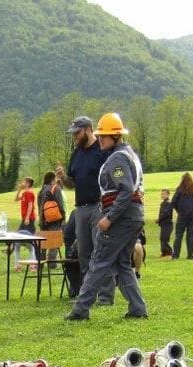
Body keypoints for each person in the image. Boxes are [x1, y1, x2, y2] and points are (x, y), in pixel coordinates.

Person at [65, 113, 148, 322]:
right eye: (99, 135)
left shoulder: (118, 158)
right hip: (134, 217)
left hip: (122, 218)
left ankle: (80, 309)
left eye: (104, 136)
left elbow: (126, 190)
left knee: (99, 261)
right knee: (121, 263)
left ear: (116, 137)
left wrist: (109, 218)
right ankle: (137, 307)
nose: (100, 139)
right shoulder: (129, 153)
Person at [56, 116, 113, 300]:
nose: (75, 137)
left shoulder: (102, 150)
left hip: (99, 207)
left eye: (77, 133)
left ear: (88, 129)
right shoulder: (76, 153)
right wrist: (62, 177)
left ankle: (105, 296)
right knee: (84, 254)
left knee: (101, 251)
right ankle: (89, 294)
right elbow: (71, 184)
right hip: (80, 209)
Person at [171, 173, 193, 259]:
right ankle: (190, 255)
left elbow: (173, 201)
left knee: (178, 235)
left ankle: (176, 255)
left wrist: (178, 210)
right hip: (192, 215)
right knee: (191, 235)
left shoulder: (179, 190)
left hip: (182, 215)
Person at [156, 188, 173, 258]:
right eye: (162, 194)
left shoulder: (168, 203)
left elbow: (166, 213)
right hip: (164, 224)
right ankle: (164, 252)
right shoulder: (163, 203)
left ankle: (170, 251)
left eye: (164, 194)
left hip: (168, 224)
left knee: (165, 238)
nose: (162, 195)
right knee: (162, 238)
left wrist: (159, 219)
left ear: (168, 195)